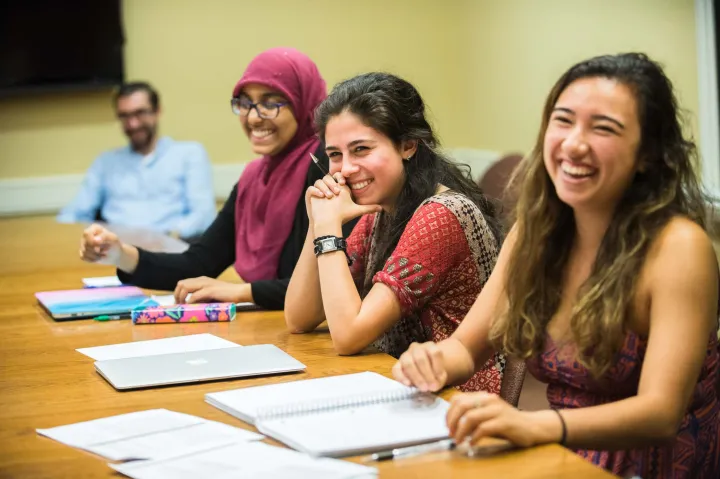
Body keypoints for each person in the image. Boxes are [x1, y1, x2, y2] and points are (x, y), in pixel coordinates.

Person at [392, 53, 720, 478]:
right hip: (560, 454)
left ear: (649, 155)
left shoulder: (679, 247)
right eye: (563, 121)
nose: (573, 143)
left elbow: (660, 413)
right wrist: (431, 361)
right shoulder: (536, 232)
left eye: (603, 128)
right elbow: (465, 348)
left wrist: (532, 425)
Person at [79, 48, 355, 310]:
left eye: (271, 103)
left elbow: (335, 279)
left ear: (304, 102)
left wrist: (239, 292)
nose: (253, 118)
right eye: (245, 103)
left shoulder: (326, 163)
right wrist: (120, 254)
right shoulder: (254, 178)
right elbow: (199, 263)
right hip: (277, 329)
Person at [284, 72, 505, 394]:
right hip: (405, 390)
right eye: (334, 155)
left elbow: (348, 335)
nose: (344, 169)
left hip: (457, 403)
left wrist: (329, 229)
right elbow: (300, 318)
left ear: (408, 145)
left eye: (361, 149)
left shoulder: (441, 215)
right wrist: (320, 219)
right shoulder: (383, 211)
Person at [58, 82, 215, 239]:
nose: (133, 124)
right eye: (124, 116)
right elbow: (73, 214)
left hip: (172, 248)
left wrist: (168, 237)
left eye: (140, 113)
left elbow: (204, 214)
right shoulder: (106, 163)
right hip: (116, 250)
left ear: (157, 111)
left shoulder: (188, 153)